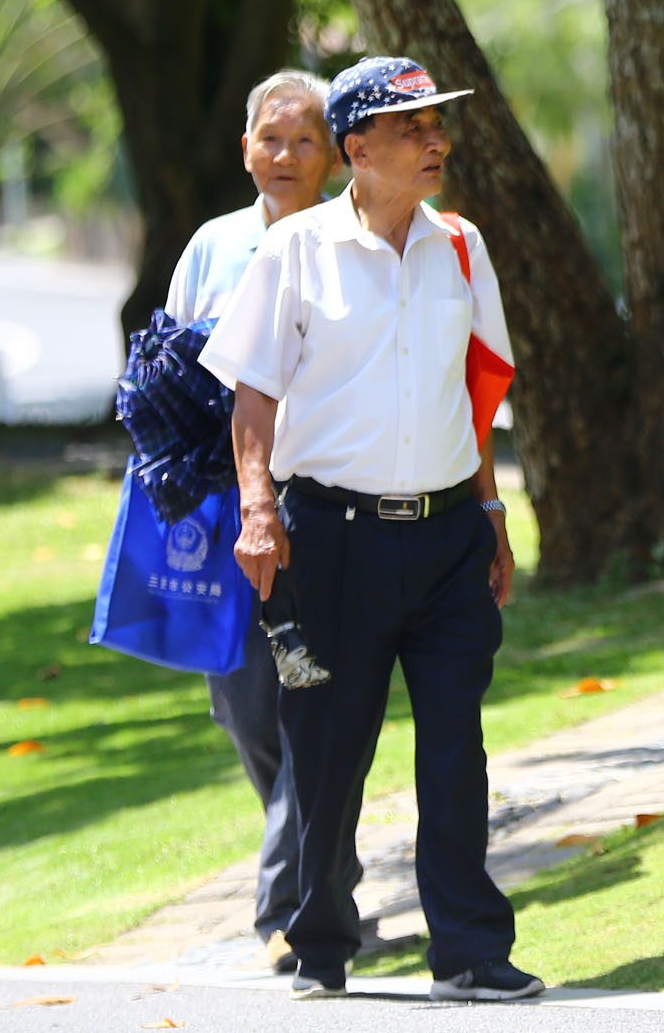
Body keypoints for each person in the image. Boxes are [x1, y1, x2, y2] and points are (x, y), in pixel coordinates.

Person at [201, 55, 532, 1004]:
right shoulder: (294, 250)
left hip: (445, 537)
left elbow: (472, 396)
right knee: (330, 746)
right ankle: (322, 941)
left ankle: (470, 947)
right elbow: (253, 393)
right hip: (329, 536)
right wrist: (258, 508)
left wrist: (492, 510)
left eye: (437, 124)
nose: (438, 140)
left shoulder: (462, 246)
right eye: (413, 125)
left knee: (454, 743)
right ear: (357, 148)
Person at [161, 69, 359, 973]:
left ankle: (288, 905)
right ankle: (329, 870)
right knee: (243, 705)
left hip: (321, 508)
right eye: (269, 138)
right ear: (246, 147)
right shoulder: (209, 247)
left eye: (303, 140)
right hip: (225, 507)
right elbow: (159, 377)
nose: (284, 155)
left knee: (309, 694)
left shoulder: (348, 243)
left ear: (333, 155)